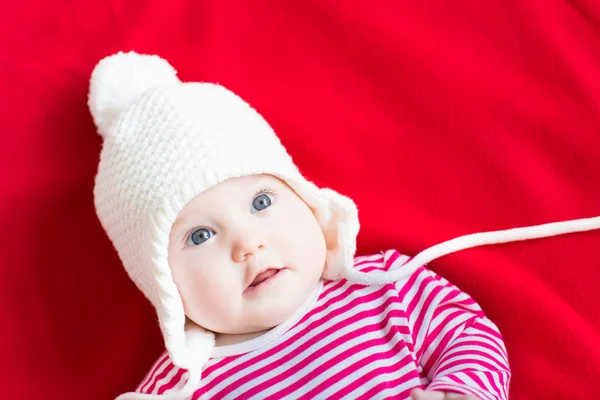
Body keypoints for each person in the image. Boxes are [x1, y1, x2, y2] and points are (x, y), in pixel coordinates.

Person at [88, 51, 599, 400]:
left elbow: (466, 331)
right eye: (200, 236)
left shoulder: (384, 289)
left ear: (309, 203)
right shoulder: (179, 385)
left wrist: (460, 389)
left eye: (262, 200)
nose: (248, 242)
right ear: (160, 283)